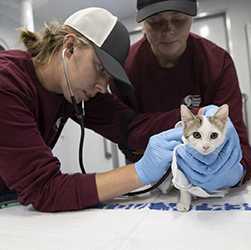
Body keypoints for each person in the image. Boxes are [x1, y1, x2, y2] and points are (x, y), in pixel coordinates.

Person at [0, 7, 187, 212]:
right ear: (70, 46)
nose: (102, 87)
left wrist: (200, 117)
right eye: (100, 69)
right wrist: (140, 172)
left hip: (13, 192)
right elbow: (44, 189)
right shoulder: (6, 84)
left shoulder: (73, 88)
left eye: (109, 79)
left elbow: (130, 126)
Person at [110, 0, 251, 190]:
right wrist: (148, 168)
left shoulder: (217, 63)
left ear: (192, 17)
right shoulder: (125, 70)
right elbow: (125, 135)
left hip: (207, 167)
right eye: (156, 22)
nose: (168, 31)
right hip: (149, 167)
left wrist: (235, 172)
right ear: (142, 22)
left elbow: (240, 146)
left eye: (178, 20)